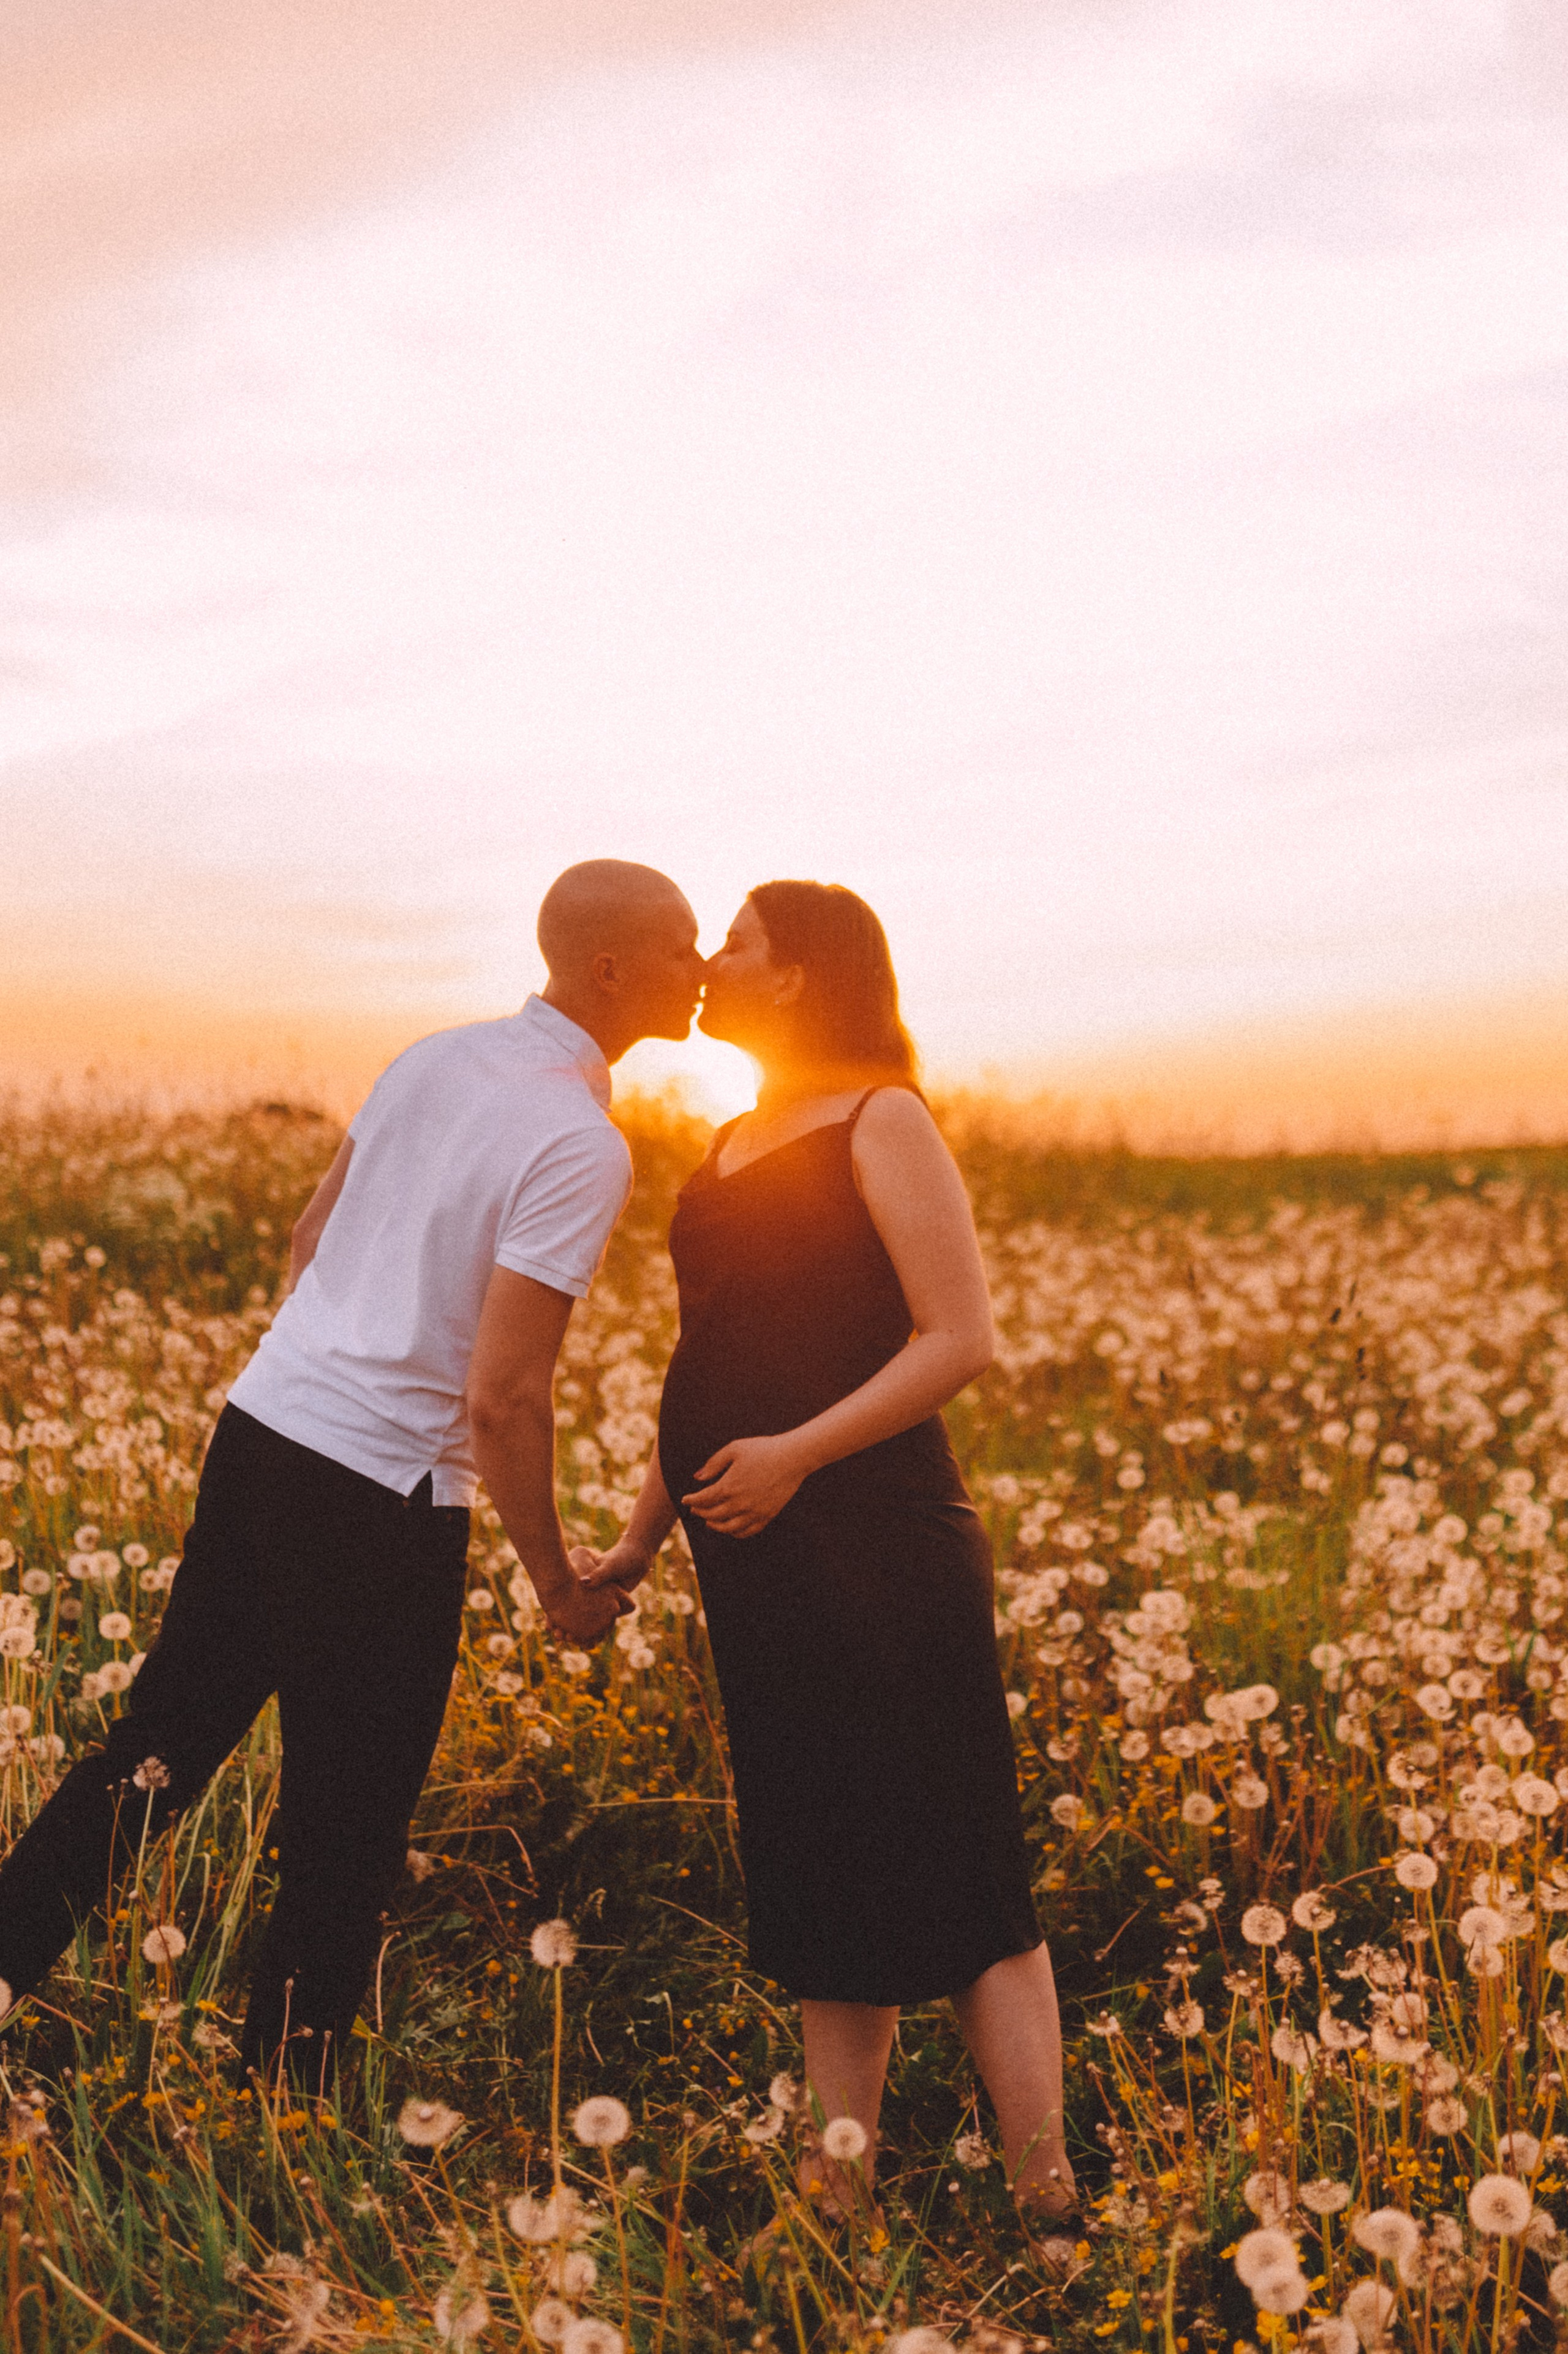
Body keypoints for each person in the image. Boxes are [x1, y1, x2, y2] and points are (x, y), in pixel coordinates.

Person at [0, 860, 704, 2091]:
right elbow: (503, 1393)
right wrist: (557, 1583)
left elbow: (308, 1237)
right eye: (681, 944)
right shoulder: (579, 1141)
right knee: (346, 1820)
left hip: (265, 1428)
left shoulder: (431, 1055)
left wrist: (316, 1372)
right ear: (608, 968)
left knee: (155, 1748)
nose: (697, 967)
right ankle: (283, 2109)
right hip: (379, 1498)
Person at [579, 880, 1074, 2222]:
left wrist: (796, 1453)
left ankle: (1047, 2200)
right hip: (753, 1556)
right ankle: (836, 2187)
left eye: (734, 942)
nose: (711, 961)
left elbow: (956, 1337)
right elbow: (707, 1359)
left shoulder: (880, 1116)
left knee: (964, 1856)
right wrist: (640, 1530)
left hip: (883, 1543)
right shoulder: (729, 1137)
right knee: (814, 1850)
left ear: (798, 973)